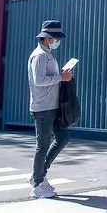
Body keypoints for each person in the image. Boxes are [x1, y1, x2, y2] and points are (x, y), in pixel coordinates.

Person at [27, 20, 72, 199]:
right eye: (56, 38)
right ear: (47, 38)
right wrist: (60, 77)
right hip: (43, 108)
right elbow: (39, 81)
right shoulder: (39, 56)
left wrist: (61, 75)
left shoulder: (47, 54)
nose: (58, 41)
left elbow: (48, 77)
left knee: (62, 138)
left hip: (51, 107)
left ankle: (39, 173)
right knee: (43, 145)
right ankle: (37, 183)